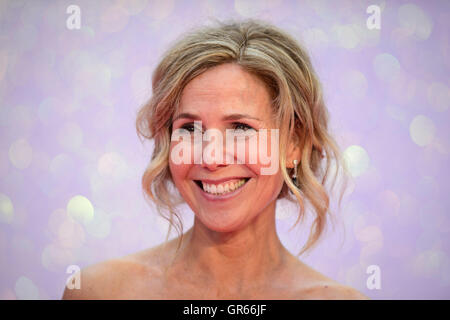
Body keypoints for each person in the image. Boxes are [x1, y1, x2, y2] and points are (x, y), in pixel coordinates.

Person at [63, 19, 368, 300]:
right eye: (190, 128)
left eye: (240, 127)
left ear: (294, 143)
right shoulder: (98, 292)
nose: (211, 156)